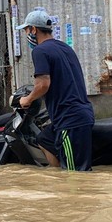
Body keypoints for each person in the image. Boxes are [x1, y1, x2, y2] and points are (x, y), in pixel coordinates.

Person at [17, 10, 95, 171]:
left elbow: (43, 84)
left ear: (33, 29)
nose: (26, 34)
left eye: (26, 30)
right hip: (77, 114)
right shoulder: (65, 47)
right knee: (44, 139)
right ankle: (58, 178)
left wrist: (28, 99)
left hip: (69, 120)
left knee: (76, 176)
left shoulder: (40, 51)